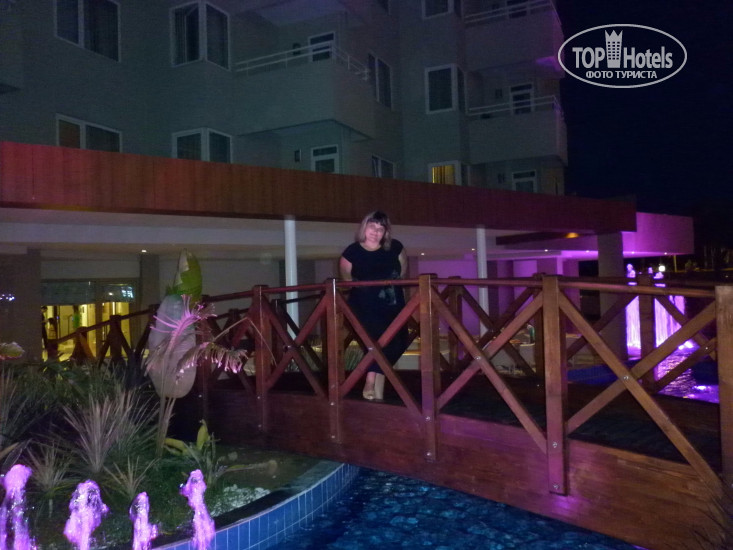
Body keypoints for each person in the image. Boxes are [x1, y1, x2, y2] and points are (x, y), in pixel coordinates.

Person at [339, 211, 408, 401]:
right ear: (364, 227)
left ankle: (373, 386)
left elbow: (402, 271)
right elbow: (346, 280)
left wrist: (390, 284)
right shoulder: (352, 252)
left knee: (400, 342)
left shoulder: (395, 247)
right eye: (372, 227)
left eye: (380, 228)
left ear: (386, 232)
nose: (375, 232)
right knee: (379, 345)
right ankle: (371, 382)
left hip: (393, 303)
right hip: (365, 306)